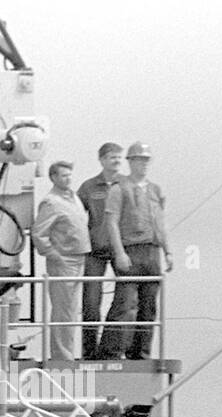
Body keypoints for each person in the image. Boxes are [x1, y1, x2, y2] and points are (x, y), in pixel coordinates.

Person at [97, 142, 172, 361]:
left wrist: (168, 251)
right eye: (140, 160)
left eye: (146, 160)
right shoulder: (119, 189)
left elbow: (160, 223)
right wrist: (119, 252)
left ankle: (140, 353)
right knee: (126, 304)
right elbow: (111, 222)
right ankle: (112, 351)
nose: (144, 164)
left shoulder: (155, 190)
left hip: (152, 251)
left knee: (148, 306)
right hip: (131, 249)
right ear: (131, 162)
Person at [31, 161, 91, 361]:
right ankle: (62, 355)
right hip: (63, 261)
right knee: (63, 309)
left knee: (72, 310)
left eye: (69, 175)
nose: (68, 179)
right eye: (64, 175)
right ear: (54, 178)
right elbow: (39, 233)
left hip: (79, 257)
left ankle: (68, 352)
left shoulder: (73, 198)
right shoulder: (51, 202)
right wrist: (52, 253)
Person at [79, 142, 126, 360]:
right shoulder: (89, 187)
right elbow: (77, 216)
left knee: (126, 299)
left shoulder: (128, 185)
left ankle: (113, 348)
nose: (116, 161)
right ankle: (89, 351)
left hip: (121, 249)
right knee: (90, 302)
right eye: (111, 157)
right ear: (102, 160)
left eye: (119, 157)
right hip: (95, 250)